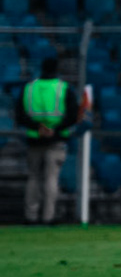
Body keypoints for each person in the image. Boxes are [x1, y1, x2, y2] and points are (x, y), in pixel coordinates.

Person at [15, 57, 80, 224]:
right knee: (51, 178)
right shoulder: (63, 88)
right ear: (57, 69)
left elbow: (19, 115)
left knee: (33, 177)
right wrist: (54, 129)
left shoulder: (29, 88)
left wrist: (38, 128)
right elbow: (73, 115)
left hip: (34, 140)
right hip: (56, 140)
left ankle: (31, 216)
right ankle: (48, 217)